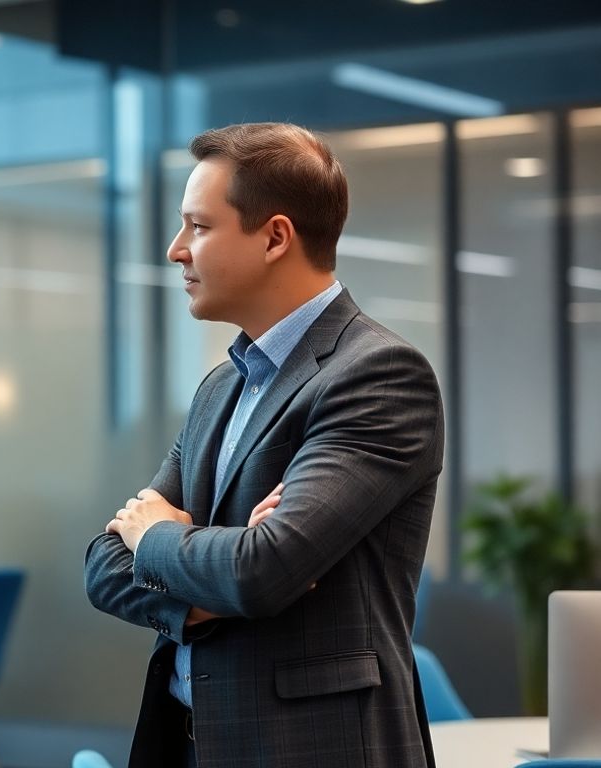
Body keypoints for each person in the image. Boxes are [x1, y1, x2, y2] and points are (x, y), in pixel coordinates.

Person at [84, 123, 443, 768]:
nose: (175, 250)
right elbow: (104, 568)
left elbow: (263, 570)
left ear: (275, 236)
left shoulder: (377, 373)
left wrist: (159, 539)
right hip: (190, 740)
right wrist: (214, 580)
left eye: (198, 226)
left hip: (310, 749)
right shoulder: (222, 386)